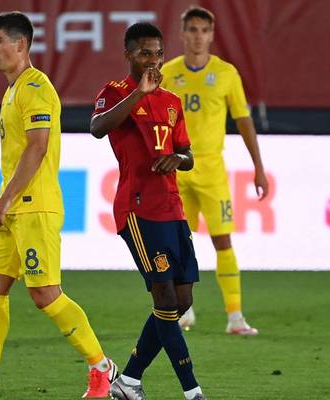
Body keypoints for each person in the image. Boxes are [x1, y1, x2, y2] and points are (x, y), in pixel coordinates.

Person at [0, 12, 116, 398]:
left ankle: (102, 368)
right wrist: (5, 200)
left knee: (45, 294)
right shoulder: (13, 90)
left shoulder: (36, 87)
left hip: (34, 207)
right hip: (11, 208)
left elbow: (38, 147)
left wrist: (5, 198)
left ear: (21, 44)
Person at [91, 22, 207, 400]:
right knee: (166, 300)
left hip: (172, 207)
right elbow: (97, 127)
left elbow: (188, 154)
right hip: (138, 209)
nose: (153, 60)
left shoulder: (171, 101)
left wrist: (178, 159)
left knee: (182, 299)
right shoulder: (115, 92)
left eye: (158, 53)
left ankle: (128, 381)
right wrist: (138, 94)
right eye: (144, 53)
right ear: (128, 54)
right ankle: (192, 391)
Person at [160, 6, 268, 336]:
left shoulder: (226, 73)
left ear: (212, 35)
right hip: (177, 167)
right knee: (177, 241)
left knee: (222, 239)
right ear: (182, 34)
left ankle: (235, 317)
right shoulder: (167, 73)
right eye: (192, 30)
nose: (198, 36)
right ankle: (184, 310)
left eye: (204, 31)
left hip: (211, 170)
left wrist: (258, 167)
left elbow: (243, 120)